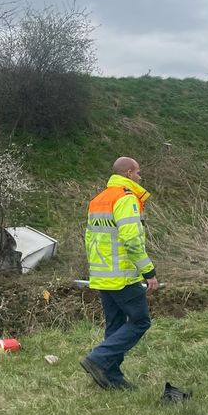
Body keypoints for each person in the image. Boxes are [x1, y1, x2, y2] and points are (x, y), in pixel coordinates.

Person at [80, 156, 158, 390]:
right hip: (123, 275)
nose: (140, 177)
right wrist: (148, 271)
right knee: (140, 321)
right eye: (138, 173)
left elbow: (90, 238)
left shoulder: (98, 199)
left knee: (114, 325)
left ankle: (111, 377)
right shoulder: (126, 198)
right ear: (128, 174)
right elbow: (131, 239)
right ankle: (98, 358)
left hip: (103, 274)